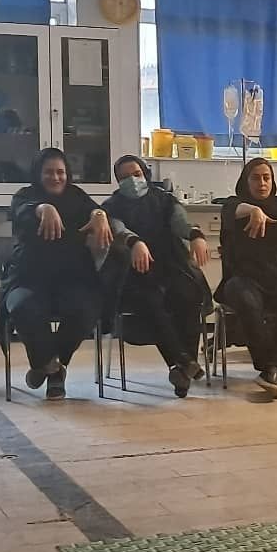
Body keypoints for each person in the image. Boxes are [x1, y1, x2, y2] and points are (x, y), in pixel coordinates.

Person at [1, 148, 117, 400]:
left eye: (60, 172)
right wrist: (44, 208)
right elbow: (22, 211)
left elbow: (96, 210)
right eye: (49, 172)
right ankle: (50, 367)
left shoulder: (77, 196)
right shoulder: (24, 196)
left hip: (72, 279)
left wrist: (99, 215)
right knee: (22, 307)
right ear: (38, 174)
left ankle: (49, 366)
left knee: (86, 309)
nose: (56, 177)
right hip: (28, 278)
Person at [103, 155, 212, 398]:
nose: (132, 180)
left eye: (136, 174)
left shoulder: (164, 200)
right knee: (151, 302)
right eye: (124, 177)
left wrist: (196, 235)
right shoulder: (112, 206)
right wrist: (135, 242)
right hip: (132, 273)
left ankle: (181, 368)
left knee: (189, 296)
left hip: (170, 265)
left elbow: (180, 223)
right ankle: (184, 362)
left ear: (145, 173)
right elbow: (118, 229)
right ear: (117, 181)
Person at [215, 158, 277, 398]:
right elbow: (232, 210)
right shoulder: (234, 205)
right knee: (248, 302)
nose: (262, 183)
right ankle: (268, 368)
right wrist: (254, 211)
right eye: (255, 178)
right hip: (241, 279)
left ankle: (271, 371)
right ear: (246, 181)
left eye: (266, 178)